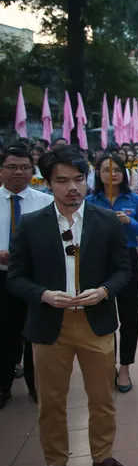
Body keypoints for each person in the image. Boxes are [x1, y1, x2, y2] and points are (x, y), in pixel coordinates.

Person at [7, 147, 133, 466]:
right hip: (49, 325)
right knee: (51, 401)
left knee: (102, 399)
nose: (72, 187)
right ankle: (55, 464)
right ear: (47, 183)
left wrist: (105, 291)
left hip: (95, 321)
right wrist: (44, 294)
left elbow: (124, 269)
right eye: (62, 181)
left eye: (78, 179)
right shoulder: (32, 225)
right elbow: (15, 277)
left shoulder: (105, 221)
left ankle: (103, 456)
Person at [86, 154, 138, 394]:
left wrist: (129, 222)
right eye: (106, 170)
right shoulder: (90, 201)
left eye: (117, 170)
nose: (112, 174)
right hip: (98, 262)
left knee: (130, 317)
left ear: (124, 173)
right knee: (103, 315)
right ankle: (107, 365)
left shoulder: (134, 200)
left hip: (128, 259)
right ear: (98, 173)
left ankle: (125, 367)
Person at [1, 146, 53, 408]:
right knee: (4, 332)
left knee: (34, 332)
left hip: (34, 278)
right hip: (2, 276)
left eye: (24, 167)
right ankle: (3, 385)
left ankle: (36, 384)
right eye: (11, 167)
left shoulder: (44, 202)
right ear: (1, 171)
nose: (18, 172)